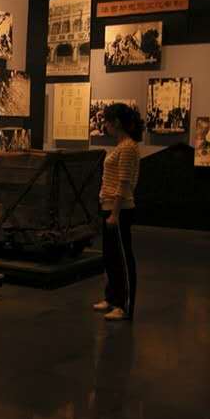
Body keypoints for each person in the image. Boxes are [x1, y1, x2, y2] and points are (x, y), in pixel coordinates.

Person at [93, 103, 143, 321]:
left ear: (116, 123)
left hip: (119, 210)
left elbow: (124, 183)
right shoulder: (121, 146)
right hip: (110, 208)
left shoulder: (128, 148)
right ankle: (112, 298)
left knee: (122, 259)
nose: (105, 125)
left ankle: (124, 305)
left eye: (107, 121)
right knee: (110, 257)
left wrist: (115, 213)